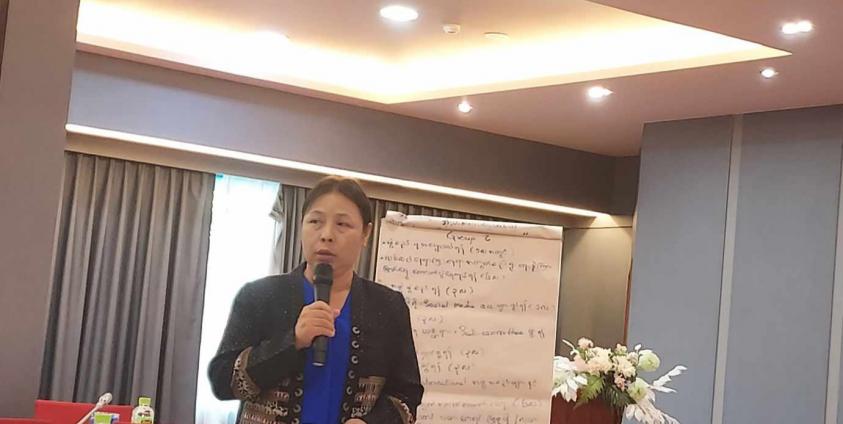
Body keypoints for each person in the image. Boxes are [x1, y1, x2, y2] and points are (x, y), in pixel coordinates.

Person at [209, 176, 423, 424]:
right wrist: (293, 341)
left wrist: (371, 423)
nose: (327, 235)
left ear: (366, 233)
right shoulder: (259, 296)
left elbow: (407, 396)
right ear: (301, 225)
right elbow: (222, 382)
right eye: (315, 221)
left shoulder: (388, 306)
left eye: (342, 224)